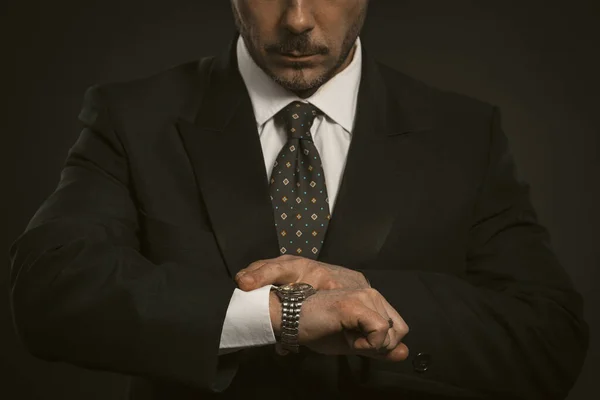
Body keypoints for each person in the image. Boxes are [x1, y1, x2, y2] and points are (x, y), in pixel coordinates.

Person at [9, 1, 589, 399]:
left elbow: (548, 338)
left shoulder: (466, 132)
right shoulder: (133, 117)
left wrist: (363, 302)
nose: (298, 19)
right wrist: (282, 316)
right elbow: (50, 288)